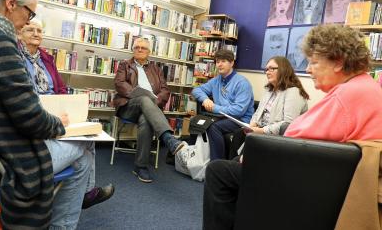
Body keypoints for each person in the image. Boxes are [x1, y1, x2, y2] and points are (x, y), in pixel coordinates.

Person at [203, 24, 382, 230]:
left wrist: (254, 152)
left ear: (339, 62)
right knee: (235, 162)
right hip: (339, 181)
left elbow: (293, 135)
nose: (307, 69)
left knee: (218, 171)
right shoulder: (368, 87)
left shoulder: (346, 96)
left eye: (314, 62)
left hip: (312, 184)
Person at [0, 0, 63, 229]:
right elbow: (29, 118)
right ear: (10, 3)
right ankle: (63, 222)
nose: (29, 21)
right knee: (84, 150)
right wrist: (60, 125)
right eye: (30, 12)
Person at [18, 20, 114, 213]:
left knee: (89, 134)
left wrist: (67, 103)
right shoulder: (15, 57)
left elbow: (60, 87)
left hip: (56, 109)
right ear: (20, 33)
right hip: (36, 111)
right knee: (84, 148)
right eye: (30, 30)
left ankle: (86, 191)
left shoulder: (46, 58)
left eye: (39, 30)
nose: (36, 33)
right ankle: (86, 193)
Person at [113, 37, 185, 183]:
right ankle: (169, 139)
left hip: (149, 109)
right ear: (133, 50)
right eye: (137, 47)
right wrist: (136, 93)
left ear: (149, 52)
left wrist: (155, 101)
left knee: (146, 120)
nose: (139, 50)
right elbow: (119, 83)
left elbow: (165, 90)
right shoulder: (124, 65)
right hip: (129, 106)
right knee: (144, 99)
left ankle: (140, 167)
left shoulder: (156, 69)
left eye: (143, 48)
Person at [228, 56, 309, 159]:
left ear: (284, 69)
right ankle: (235, 165)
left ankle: (238, 165)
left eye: (272, 68)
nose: (267, 72)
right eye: (266, 69)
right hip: (263, 130)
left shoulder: (294, 92)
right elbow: (257, 113)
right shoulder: (269, 90)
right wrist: (252, 124)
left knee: (247, 144)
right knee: (238, 134)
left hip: (277, 137)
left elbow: (287, 124)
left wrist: (261, 131)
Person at [191, 49, 254, 161]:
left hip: (240, 120)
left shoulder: (242, 83)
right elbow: (196, 90)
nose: (219, 64)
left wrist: (214, 107)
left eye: (223, 61)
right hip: (222, 117)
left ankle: (217, 164)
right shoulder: (216, 80)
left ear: (232, 63)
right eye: (217, 61)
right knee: (197, 121)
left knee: (213, 127)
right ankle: (196, 160)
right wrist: (205, 99)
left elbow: (238, 110)